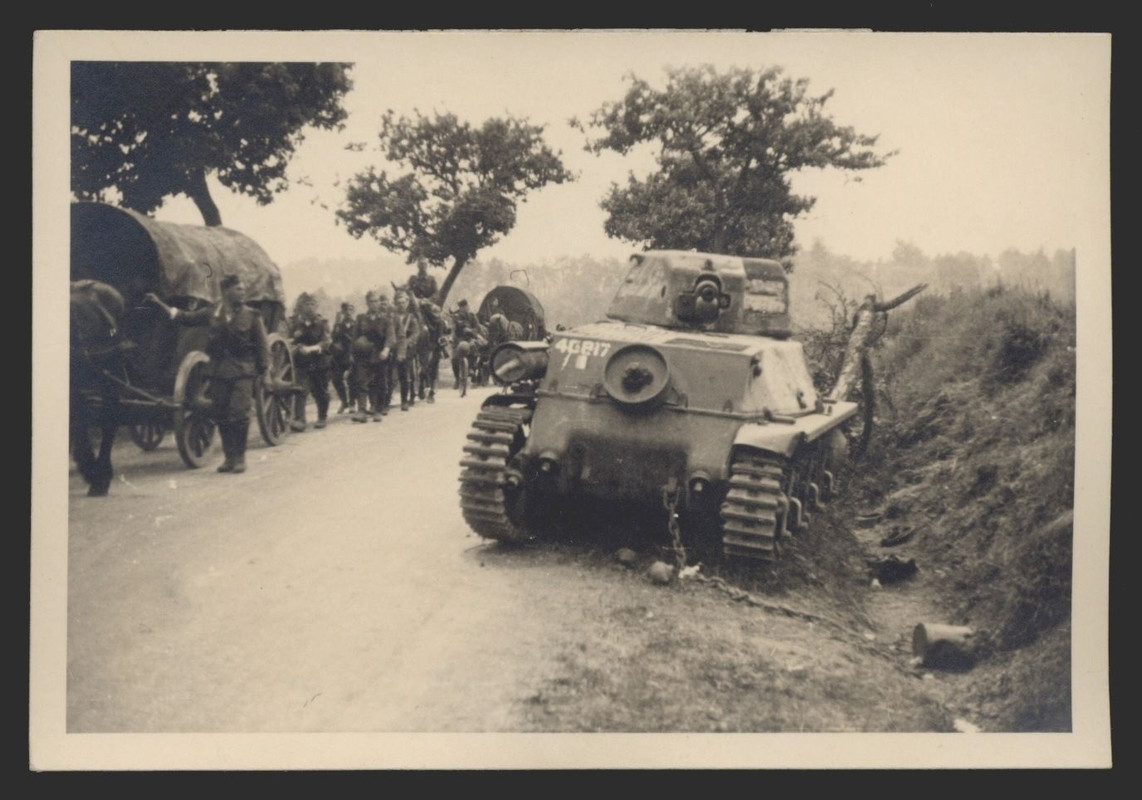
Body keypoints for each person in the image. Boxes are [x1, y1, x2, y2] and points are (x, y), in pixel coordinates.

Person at [145, 275, 269, 474]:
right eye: (238, 289)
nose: (243, 292)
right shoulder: (213, 312)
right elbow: (184, 317)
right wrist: (160, 304)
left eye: (243, 289)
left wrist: (263, 371)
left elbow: (262, 346)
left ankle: (240, 458)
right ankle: (229, 458)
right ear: (226, 291)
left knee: (239, 414)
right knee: (220, 414)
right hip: (218, 372)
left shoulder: (252, 315)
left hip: (243, 372)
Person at [288, 292, 333, 431]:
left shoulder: (322, 323)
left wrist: (313, 348)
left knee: (320, 391)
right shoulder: (295, 323)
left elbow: (327, 341)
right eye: (307, 304)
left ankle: (322, 417)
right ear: (301, 306)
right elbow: (289, 339)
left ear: (317, 306)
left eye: (313, 304)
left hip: (320, 362)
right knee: (301, 390)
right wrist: (296, 347)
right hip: (302, 362)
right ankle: (300, 420)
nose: (310, 308)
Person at [350, 291, 393, 423]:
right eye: (371, 301)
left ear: (379, 303)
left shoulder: (386, 319)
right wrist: (352, 353)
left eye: (376, 301)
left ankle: (378, 410)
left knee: (380, 383)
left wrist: (386, 349)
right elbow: (354, 337)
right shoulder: (361, 318)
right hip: (363, 354)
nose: (374, 304)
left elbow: (390, 337)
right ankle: (362, 411)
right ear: (367, 303)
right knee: (361, 380)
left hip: (380, 354)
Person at [389, 289, 421, 411]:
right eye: (398, 302)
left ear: (407, 303)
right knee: (389, 373)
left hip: (407, 347)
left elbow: (415, 333)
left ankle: (404, 401)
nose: (401, 305)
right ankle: (386, 400)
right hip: (393, 346)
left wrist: (406, 343)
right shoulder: (392, 317)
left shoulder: (411, 317)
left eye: (403, 302)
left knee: (404, 373)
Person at [330, 302, 357, 414]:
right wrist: (337, 323)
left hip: (353, 354)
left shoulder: (357, 324)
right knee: (336, 379)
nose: (348, 312)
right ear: (342, 312)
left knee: (352, 379)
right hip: (340, 356)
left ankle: (352, 403)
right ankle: (343, 401)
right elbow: (333, 337)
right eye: (346, 310)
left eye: (350, 310)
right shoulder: (338, 325)